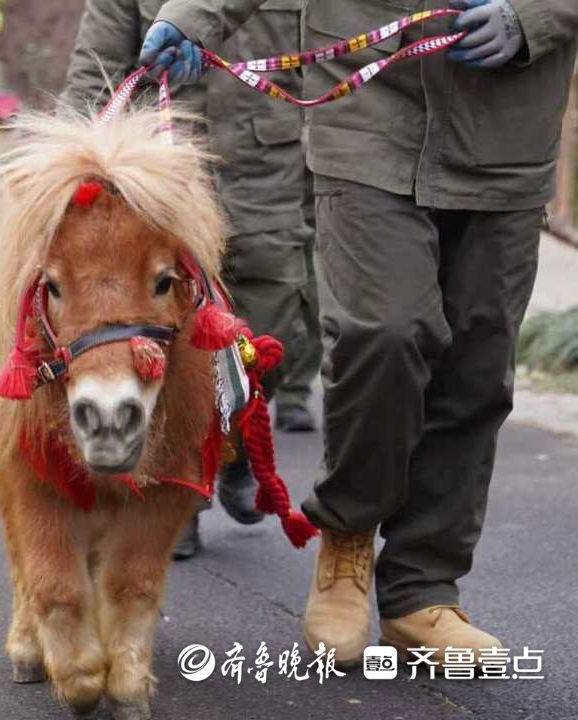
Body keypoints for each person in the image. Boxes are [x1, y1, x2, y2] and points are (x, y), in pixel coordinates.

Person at [139, 0, 577, 664]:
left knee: (477, 366)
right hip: (367, 108)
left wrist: (536, 15)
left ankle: (422, 590)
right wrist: (194, 16)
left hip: (508, 129)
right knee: (385, 330)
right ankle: (347, 533)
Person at [61, 0, 321, 559]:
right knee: (168, 338)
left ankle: (238, 449)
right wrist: (63, 164)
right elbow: (94, 74)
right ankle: (177, 490)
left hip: (265, 173)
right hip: (162, 178)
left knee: (272, 328)